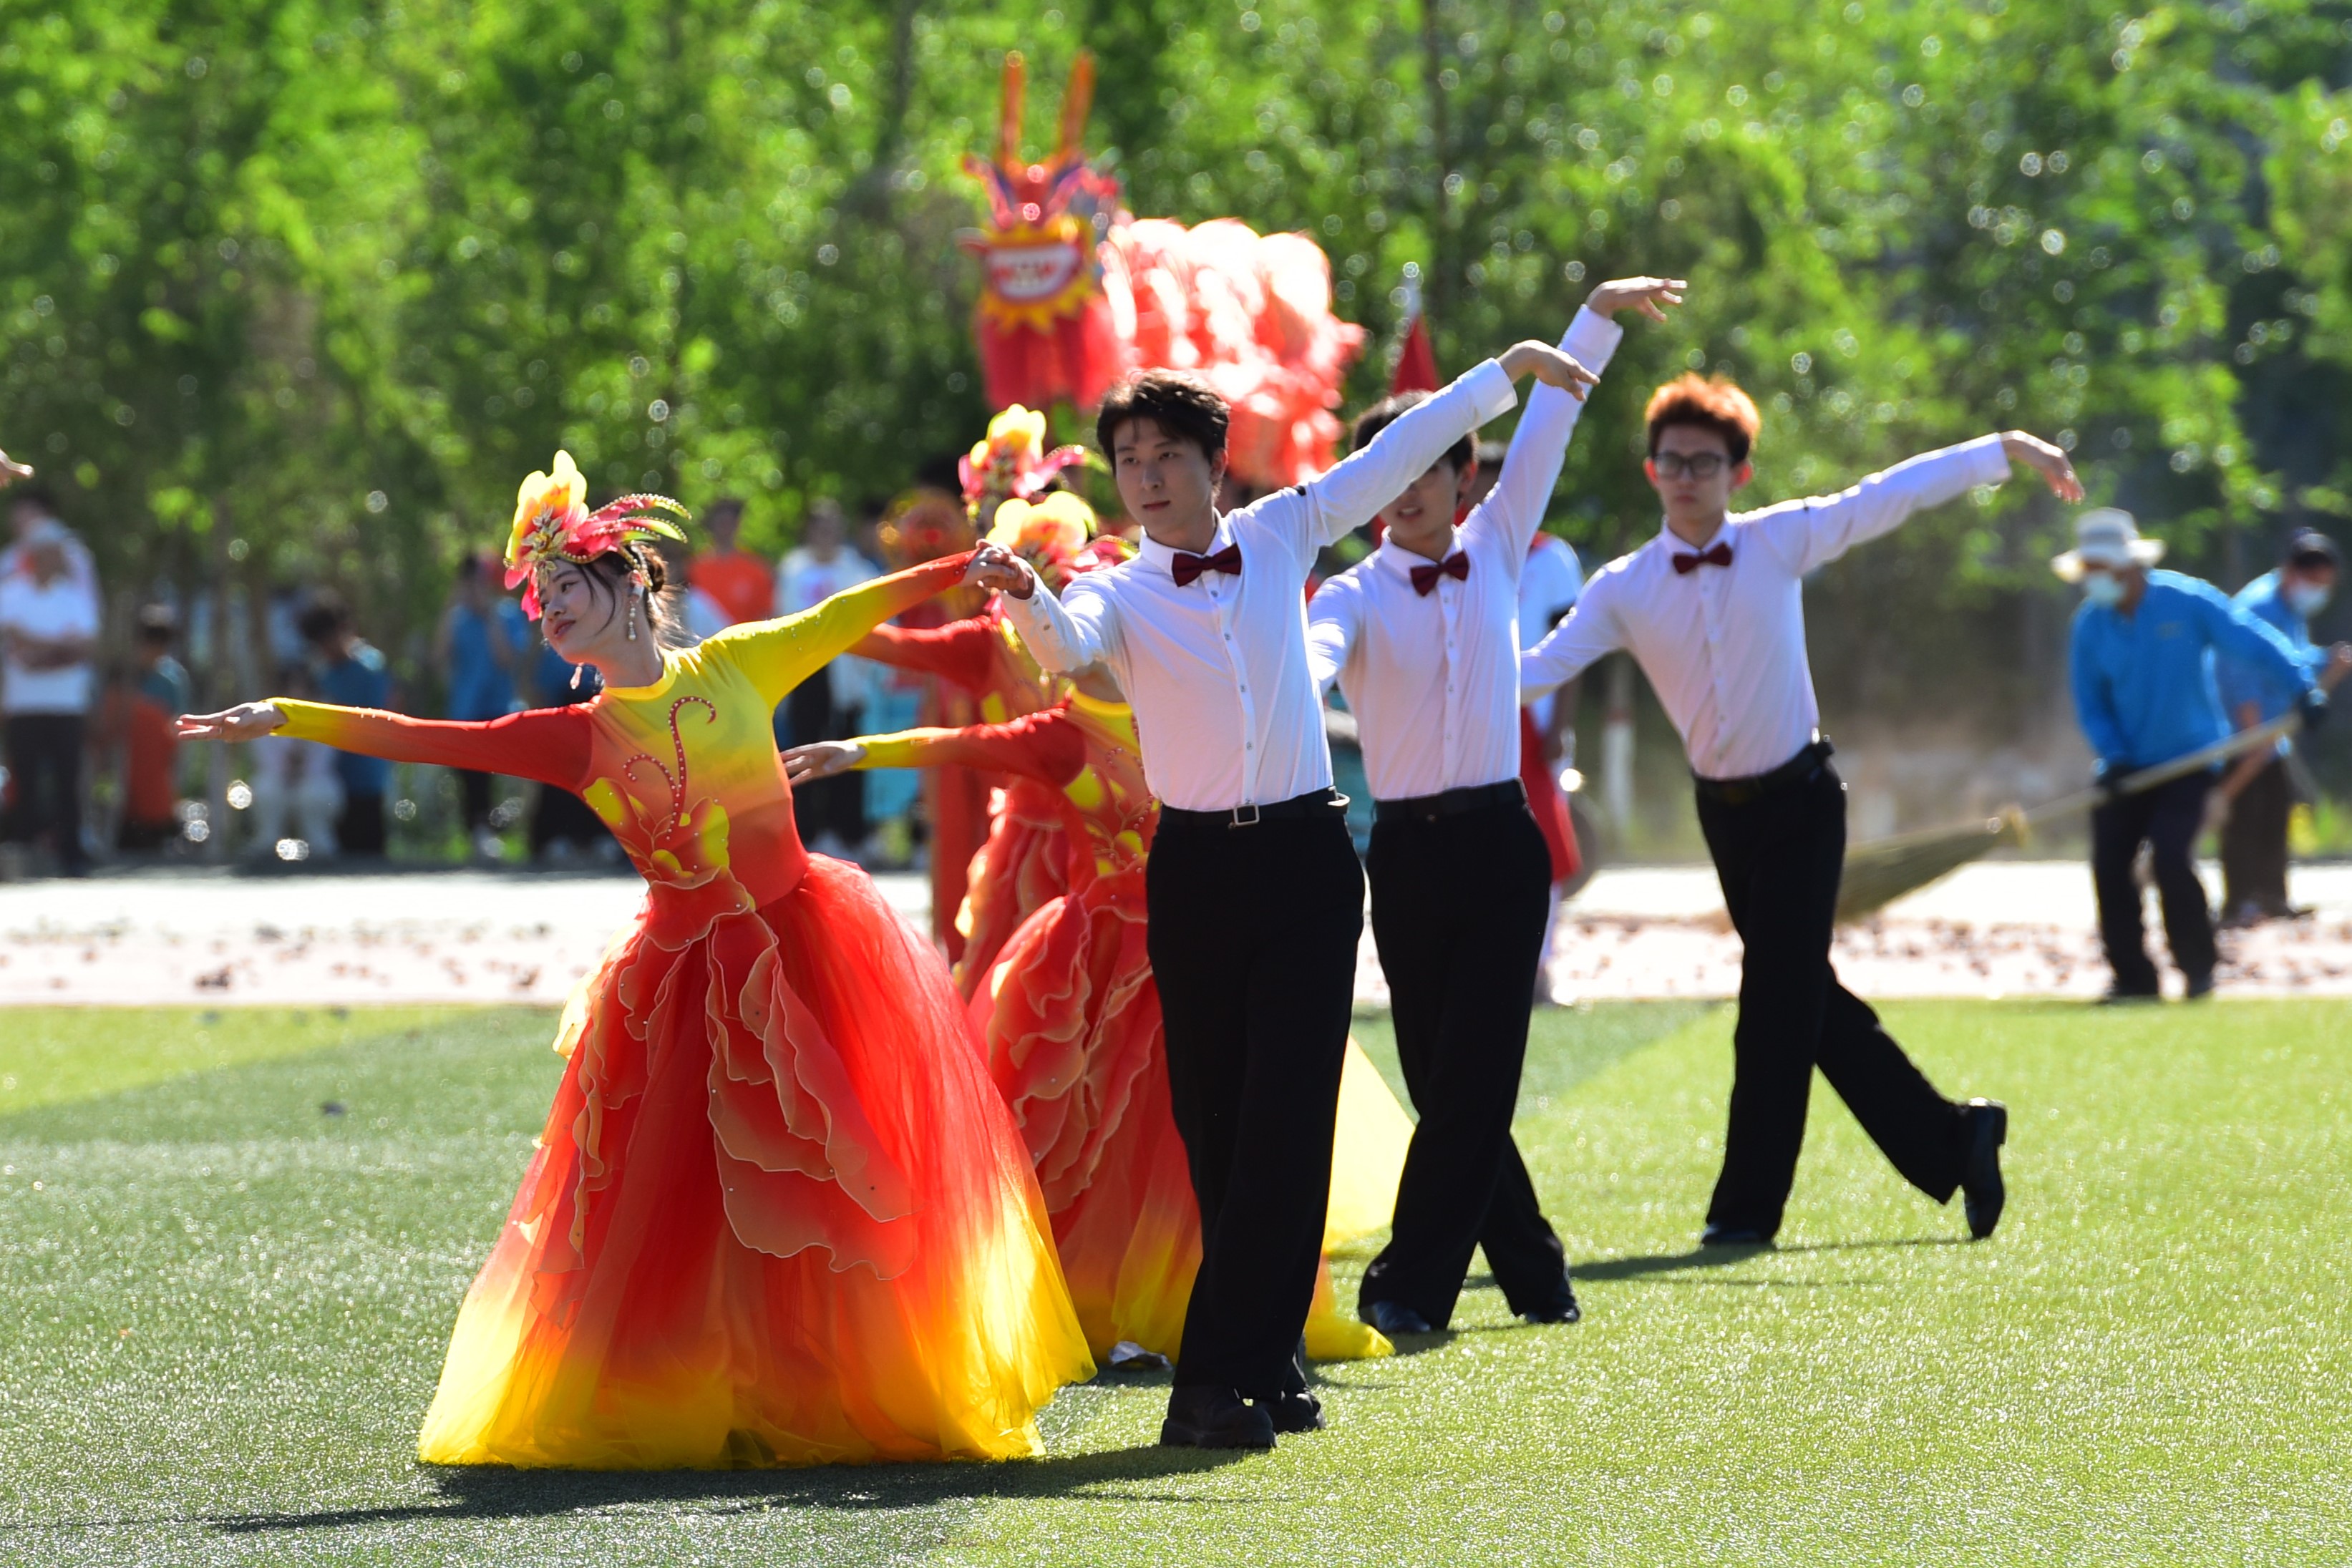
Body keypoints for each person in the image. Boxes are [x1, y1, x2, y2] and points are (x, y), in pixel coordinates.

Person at [177, 452, 1089, 1466]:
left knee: (828, 1177)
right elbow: (426, 737)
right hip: (682, 978)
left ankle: (831, 1381)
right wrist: (286, 716)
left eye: (566, 586)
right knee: (693, 1197)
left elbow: (845, 612)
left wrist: (965, 566)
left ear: (627, 581)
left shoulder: (739, 663)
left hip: (808, 948)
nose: (550, 611)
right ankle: (705, 1388)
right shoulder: (574, 736)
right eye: (541, 599)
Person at [968, 337, 1599, 1450]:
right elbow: (1064, 649)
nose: (1146, 475)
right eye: (1128, 459)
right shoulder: (1113, 589)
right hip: (1195, 871)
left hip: (1307, 862)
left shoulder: (1281, 530)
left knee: (1286, 1127)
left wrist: (1500, 373)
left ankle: (1210, 1385)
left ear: (1216, 463)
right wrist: (1024, 594)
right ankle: (1270, 1358)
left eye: (1167, 454)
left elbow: (1393, 453)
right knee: (1215, 1127)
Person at [790, 510, 1401, 1369]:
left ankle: (1246, 1303)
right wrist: (859, 750)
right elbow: (963, 744)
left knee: (1237, 1127)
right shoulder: (1061, 731)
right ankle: (1117, 1301)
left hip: (1208, 931)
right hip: (1103, 958)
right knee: (1112, 1143)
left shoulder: (1187, 704)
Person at [1520, 374, 2084, 1247]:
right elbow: (1537, 671)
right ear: (1650, 469)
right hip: (1725, 817)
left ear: (1738, 473)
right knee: (1800, 996)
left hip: (1802, 801)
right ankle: (1955, 1137)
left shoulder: (1777, 540)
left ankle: (1744, 1212)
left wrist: (2001, 451)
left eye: (1704, 462)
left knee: (1772, 1009)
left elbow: (1886, 496)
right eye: (1671, 461)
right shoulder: (1623, 588)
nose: (1685, 476)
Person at [1307, 276, 1677, 1339]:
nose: (1407, 489)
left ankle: (1407, 1284)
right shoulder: (1348, 593)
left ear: (1461, 474)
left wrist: (1594, 315)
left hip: (1501, 847)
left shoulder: (1503, 537)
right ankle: (1534, 1267)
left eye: (1427, 465)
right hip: (1405, 857)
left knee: (1473, 1076)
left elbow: (1551, 420)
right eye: (1389, 471)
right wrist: (1286, 686)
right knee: (1444, 1083)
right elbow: (1313, 659)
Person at [2057, 508, 2323, 1000]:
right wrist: (2114, 754)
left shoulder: (2186, 601)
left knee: (2172, 856)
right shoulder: (2089, 626)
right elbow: (2091, 704)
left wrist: (2303, 686)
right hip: (2125, 768)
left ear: (2127, 564)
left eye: (2099, 568)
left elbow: (2250, 639)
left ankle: (2198, 969)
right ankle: (2133, 978)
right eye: (2087, 569)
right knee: (2110, 865)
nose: (2092, 578)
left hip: (2191, 762)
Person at [2212, 530, 2352, 924]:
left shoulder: (2289, 607)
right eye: (2315, 582)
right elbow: (2240, 669)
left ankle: (2272, 897)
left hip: (2271, 731)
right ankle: (2239, 902)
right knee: (2244, 812)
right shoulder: (2258, 607)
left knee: (2275, 807)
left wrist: (2326, 660)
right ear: (2292, 572)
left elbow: (2292, 657)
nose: (2319, 592)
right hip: (2243, 727)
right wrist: (2252, 731)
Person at [775, 499, 883, 857]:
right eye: (818, 527)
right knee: (803, 750)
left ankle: (848, 832)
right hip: (805, 671)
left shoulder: (856, 569)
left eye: (831, 527)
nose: (825, 534)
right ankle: (807, 832)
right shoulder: (793, 568)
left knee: (846, 750)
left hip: (845, 672)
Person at [0, 517, 100, 873]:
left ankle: (71, 854)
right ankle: (25, 851)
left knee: (67, 780)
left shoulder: (73, 597)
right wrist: (57, 648)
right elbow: (13, 642)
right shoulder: (11, 594)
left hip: (66, 703)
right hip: (23, 704)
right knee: (25, 780)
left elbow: (85, 646)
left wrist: (36, 647)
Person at [435, 555, 530, 859]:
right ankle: (476, 832)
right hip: (465, 710)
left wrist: (489, 616)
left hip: (499, 708)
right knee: (470, 777)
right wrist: (452, 606)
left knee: (497, 776)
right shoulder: (457, 618)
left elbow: (506, 658)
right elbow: (440, 656)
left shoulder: (507, 615)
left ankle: (501, 830)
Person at [297, 593, 394, 858]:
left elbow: (379, 718)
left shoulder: (370, 667)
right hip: (333, 781)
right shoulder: (323, 674)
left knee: (369, 856)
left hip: (367, 778)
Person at [104, 605, 193, 851]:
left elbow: (177, 721)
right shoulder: (122, 674)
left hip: (156, 755)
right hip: (124, 752)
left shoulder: (172, 679)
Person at [686, 497, 774, 626]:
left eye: (730, 522)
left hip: (744, 637)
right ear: (711, 526)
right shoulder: (694, 568)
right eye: (721, 522)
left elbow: (766, 615)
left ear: (738, 525)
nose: (725, 528)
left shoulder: (755, 569)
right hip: (705, 638)